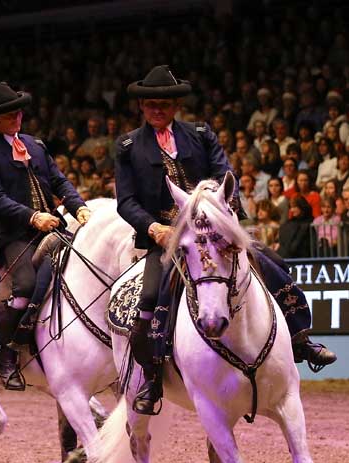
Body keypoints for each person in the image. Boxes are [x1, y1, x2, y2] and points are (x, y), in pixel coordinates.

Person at [115, 65, 335, 416]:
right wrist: (153, 228)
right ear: (141, 106)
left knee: (272, 263)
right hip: (168, 238)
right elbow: (125, 201)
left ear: (176, 105)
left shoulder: (200, 134)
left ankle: (299, 340)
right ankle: (153, 378)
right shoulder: (127, 146)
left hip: (214, 232)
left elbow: (223, 172)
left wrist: (228, 220)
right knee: (149, 299)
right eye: (151, 104)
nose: (158, 110)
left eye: (165, 104)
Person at [0, 82, 90, 390]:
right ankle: (7, 351)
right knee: (24, 284)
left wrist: (79, 208)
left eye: (18, 112)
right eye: (8, 114)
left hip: (53, 227)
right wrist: (32, 216)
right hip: (16, 234)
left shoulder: (35, 145)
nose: (16, 117)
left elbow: (59, 181)